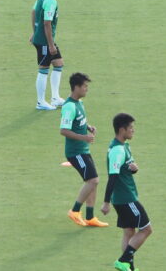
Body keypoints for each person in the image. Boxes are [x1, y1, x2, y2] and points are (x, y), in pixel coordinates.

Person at [101, 113, 154, 271]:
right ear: (122, 129)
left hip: (123, 197)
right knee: (146, 229)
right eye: (130, 128)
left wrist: (133, 169)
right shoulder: (117, 150)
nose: (133, 130)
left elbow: (124, 169)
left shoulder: (124, 146)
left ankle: (128, 267)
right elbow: (113, 177)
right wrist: (105, 202)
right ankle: (123, 260)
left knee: (129, 232)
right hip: (126, 198)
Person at [60, 72, 108, 227]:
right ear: (76, 87)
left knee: (93, 182)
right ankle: (74, 211)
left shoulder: (79, 103)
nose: (87, 89)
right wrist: (84, 138)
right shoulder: (69, 107)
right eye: (85, 86)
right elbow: (64, 130)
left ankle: (90, 217)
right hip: (76, 152)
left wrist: (88, 127)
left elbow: (79, 121)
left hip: (83, 150)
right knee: (93, 180)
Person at [31, 0, 67, 110]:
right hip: (45, 40)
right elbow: (47, 23)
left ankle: (55, 97)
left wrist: (34, 32)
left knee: (58, 63)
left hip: (42, 37)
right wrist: (51, 45)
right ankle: (40, 102)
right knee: (43, 68)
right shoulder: (51, 0)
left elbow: (33, 12)